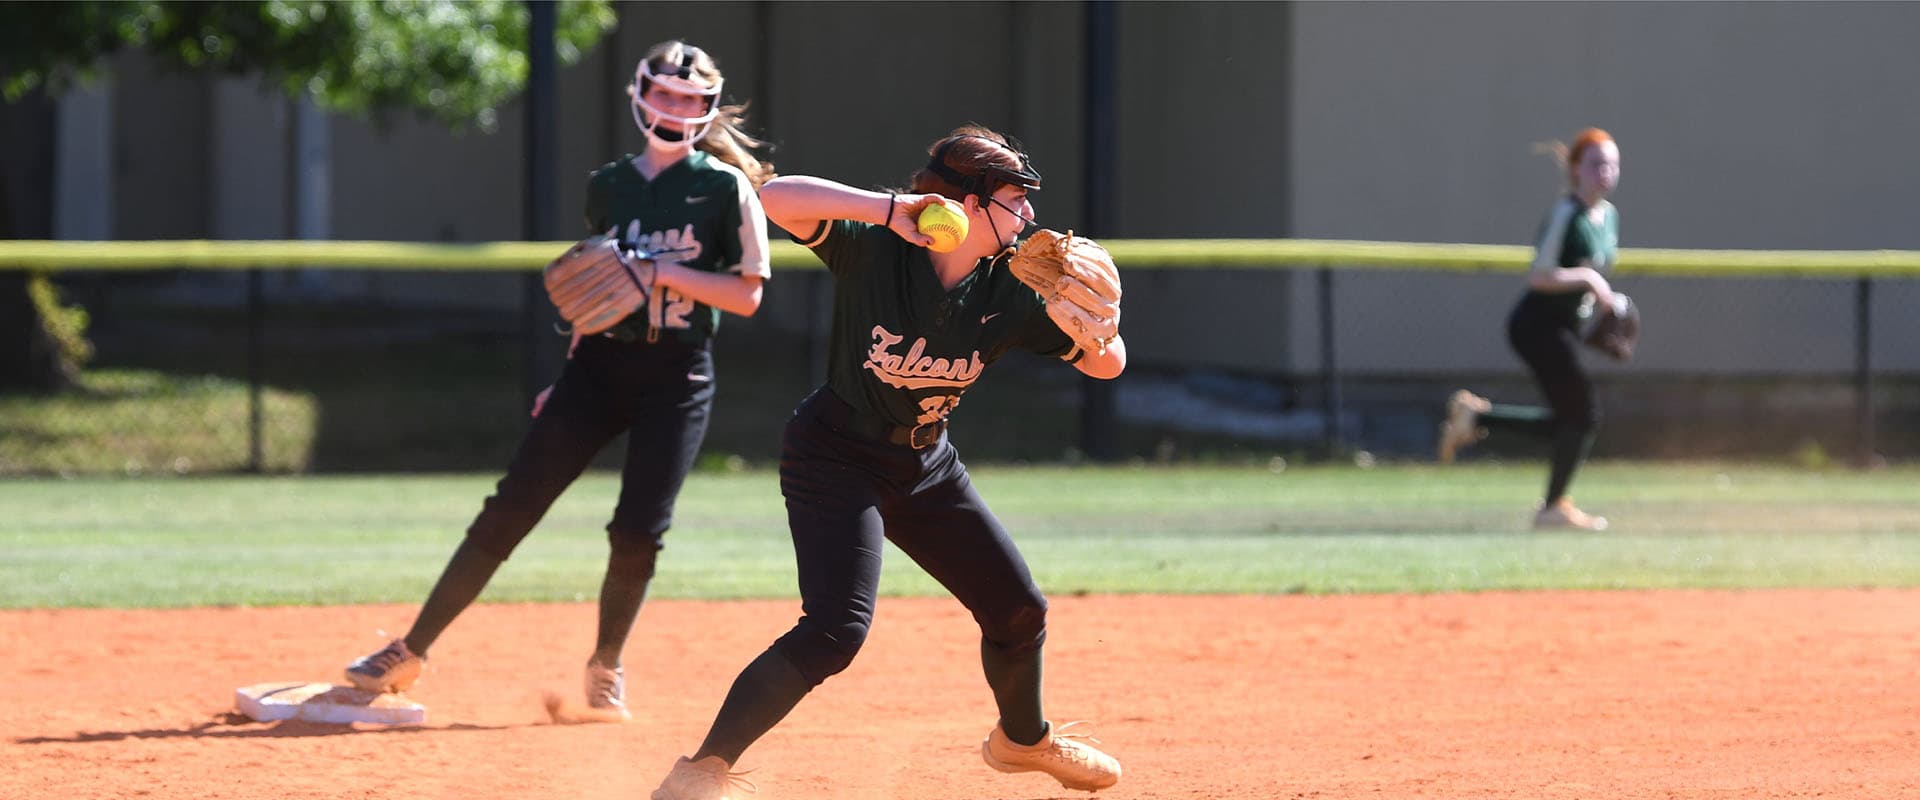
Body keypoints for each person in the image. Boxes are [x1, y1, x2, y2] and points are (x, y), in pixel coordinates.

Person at [646, 126, 1126, 800]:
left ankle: (1021, 742)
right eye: (1016, 200)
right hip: (834, 456)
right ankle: (701, 770)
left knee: (1019, 612)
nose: (1030, 218)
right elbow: (778, 198)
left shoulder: (1013, 291)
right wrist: (889, 209)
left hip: (925, 465)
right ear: (966, 205)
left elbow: (1108, 367)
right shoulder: (879, 251)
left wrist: (1094, 323)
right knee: (834, 632)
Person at [343, 40, 776, 722]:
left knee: (638, 531)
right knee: (511, 507)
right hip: (599, 368)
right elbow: (593, 298)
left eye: (690, 99)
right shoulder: (609, 184)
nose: (676, 108)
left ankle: (606, 665)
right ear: (640, 96)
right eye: (665, 94)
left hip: (678, 373)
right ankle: (409, 650)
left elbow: (748, 295)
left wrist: (657, 270)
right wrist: (567, 374)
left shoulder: (725, 190)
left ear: (707, 109)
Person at [1438, 127, 1621, 531]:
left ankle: (1479, 419)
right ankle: (1552, 506)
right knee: (1583, 415)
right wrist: (1590, 282)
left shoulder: (1608, 217)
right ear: (1575, 169)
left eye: (1611, 164)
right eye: (1595, 164)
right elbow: (1540, 275)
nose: (1604, 172)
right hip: (1536, 324)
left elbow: (1589, 283)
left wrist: (1607, 312)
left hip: (1563, 327)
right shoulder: (1566, 213)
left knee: (1571, 420)